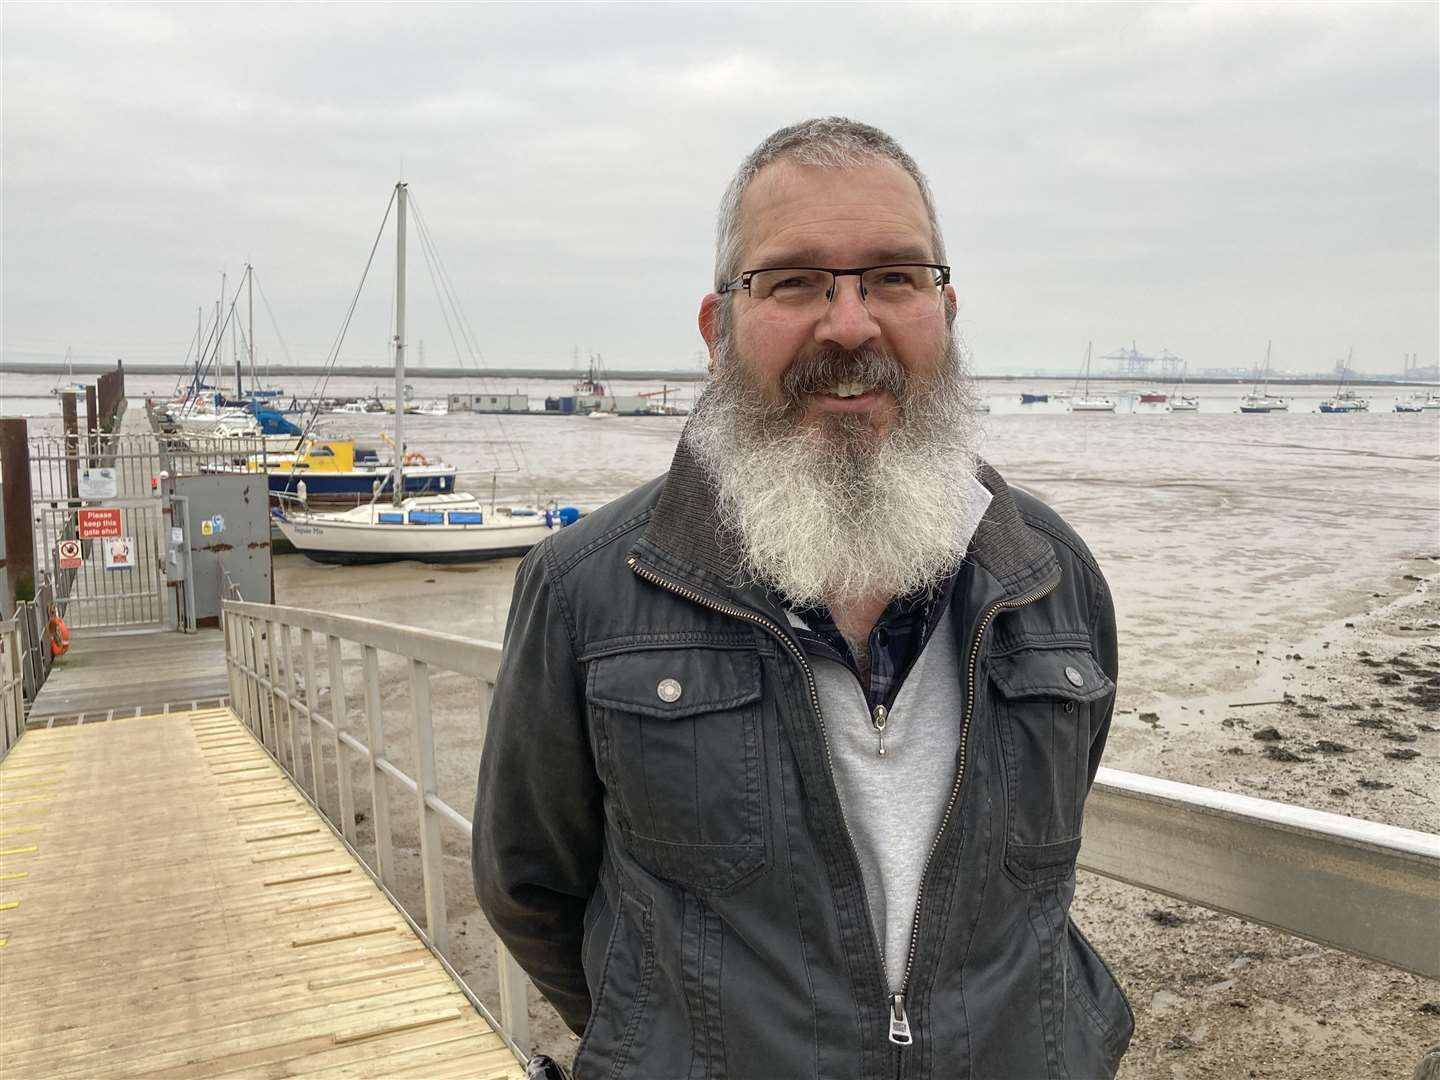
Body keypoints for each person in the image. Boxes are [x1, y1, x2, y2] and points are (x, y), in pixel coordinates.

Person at [474, 117, 1132, 1079]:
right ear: (717, 328)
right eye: (794, 282)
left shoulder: (1052, 576)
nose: (852, 324)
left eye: (895, 277)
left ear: (946, 311)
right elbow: (528, 884)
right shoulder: (586, 587)